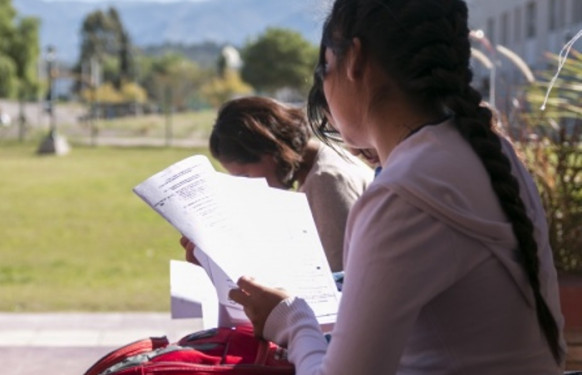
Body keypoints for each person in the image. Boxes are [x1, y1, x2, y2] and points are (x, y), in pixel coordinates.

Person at [228, 0, 567, 373]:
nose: (322, 86)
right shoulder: (486, 151)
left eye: (324, 65)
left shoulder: (405, 194)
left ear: (354, 60)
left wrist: (290, 318)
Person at [182, 96, 372, 274]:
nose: (248, 187)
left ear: (269, 151)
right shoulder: (317, 166)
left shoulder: (326, 181)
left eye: (245, 175)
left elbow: (337, 277)